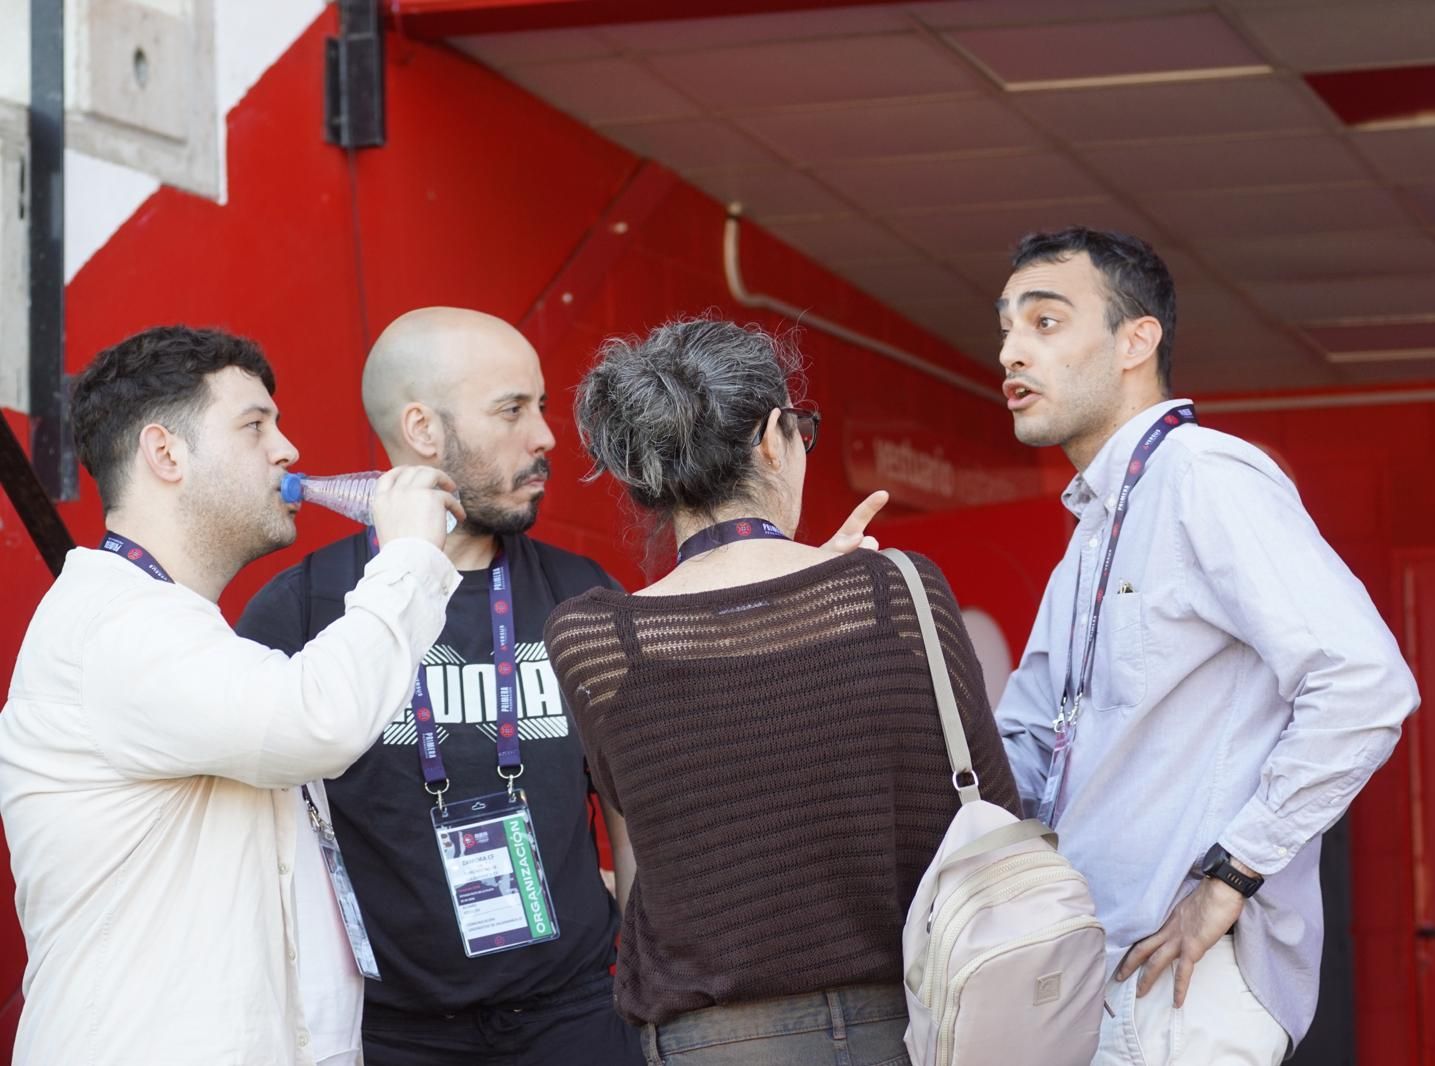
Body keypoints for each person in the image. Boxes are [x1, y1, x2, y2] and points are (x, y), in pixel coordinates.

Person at [991, 227, 1421, 1065]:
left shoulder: (1204, 476)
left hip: (1188, 986)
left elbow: (1367, 685)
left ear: (1135, 340)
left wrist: (1231, 877)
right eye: (1005, 327)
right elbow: (1026, 748)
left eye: (1044, 323)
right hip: (1094, 974)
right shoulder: (1093, 529)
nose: (1010, 351)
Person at [543, 318, 1021, 1066]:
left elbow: (662, 836)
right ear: (774, 437)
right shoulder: (901, 589)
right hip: (913, 1020)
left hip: (717, 1039)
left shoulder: (596, 639)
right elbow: (993, 806)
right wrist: (835, 595)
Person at [0, 325, 462, 1065]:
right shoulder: (114, 627)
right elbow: (318, 719)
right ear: (165, 454)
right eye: (255, 426)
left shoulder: (176, 632)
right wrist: (407, 553)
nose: (289, 452)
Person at [235, 307, 646, 1065]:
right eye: (512, 410)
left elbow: (634, 811)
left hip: (580, 1019)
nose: (546, 437)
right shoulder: (302, 610)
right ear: (423, 430)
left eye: (542, 408)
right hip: (391, 1034)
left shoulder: (584, 596)